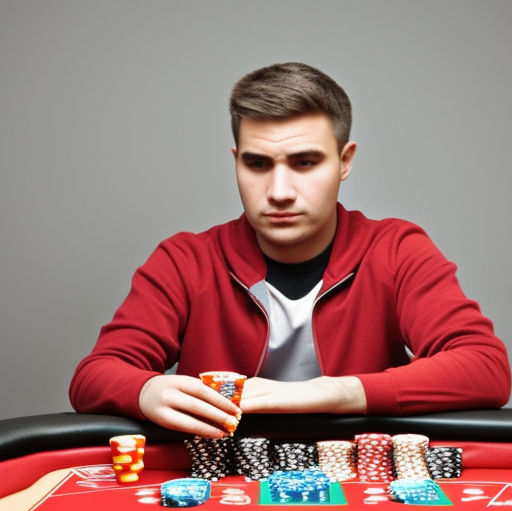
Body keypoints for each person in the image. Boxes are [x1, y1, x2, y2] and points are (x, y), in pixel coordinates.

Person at [69, 62, 511, 439]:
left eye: (304, 162)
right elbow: (94, 375)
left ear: (345, 161)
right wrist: (146, 391)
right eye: (258, 163)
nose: (279, 192)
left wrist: (334, 392)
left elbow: (486, 367)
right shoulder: (184, 260)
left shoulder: (396, 249)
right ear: (236, 160)